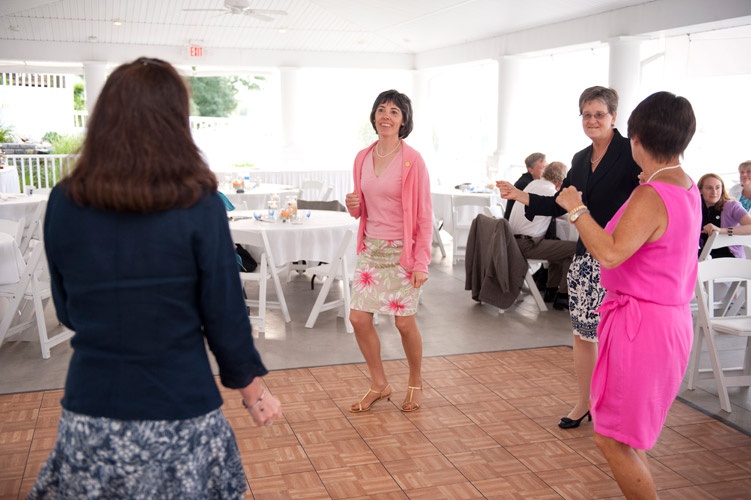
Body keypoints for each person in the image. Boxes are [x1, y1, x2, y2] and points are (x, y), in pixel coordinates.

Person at [30, 57, 281, 499]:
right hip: (181, 406)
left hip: (92, 409)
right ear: (175, 121)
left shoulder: (65, 201)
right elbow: (224, 315)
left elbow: (67, 310)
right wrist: (253, 392)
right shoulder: (199, 203)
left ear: (104, 118)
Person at [555, 91, 700, 499]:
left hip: (643, 327)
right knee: (628, 437)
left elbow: (610, 253)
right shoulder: (684, 184)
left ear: (635, 139)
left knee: (612, 438)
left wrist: (576, 208)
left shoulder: (652, 194)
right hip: (666, 321)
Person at [497, 86, 641, 429]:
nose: (592, 120)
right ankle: (584, 402)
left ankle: (618, 406)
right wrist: (519, 195)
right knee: (583, 336)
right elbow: (561, 203)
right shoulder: (579, 158)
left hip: (619, 259)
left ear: (614, 116)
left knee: (616, 341)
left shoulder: (632, 153)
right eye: (586, 114)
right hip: (585, 259)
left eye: (599, 114)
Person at [345, 89, 432, 413]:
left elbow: (424, 215)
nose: (386, 116)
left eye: (394, 112)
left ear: (404, 121)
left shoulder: (413, 160)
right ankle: (379, 383)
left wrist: (421, 262)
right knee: (358, 318)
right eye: (381, 109)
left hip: (403, 253)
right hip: (371, 249)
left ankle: (415, 381)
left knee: (404, 324)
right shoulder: (362, 157)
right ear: (374, 116)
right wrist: (352, 205)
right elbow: (361, 210)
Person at [508, 161, 576, 309]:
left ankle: (551, 290)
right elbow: (569, 215)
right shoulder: (550, 192)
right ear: (561, 179)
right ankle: (563, 296)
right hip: (527, 245)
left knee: (557, 243)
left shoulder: (533, 184)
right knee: (575, 249)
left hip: (513, 242)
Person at [698, 172, 751, 258]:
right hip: (705, 255)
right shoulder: (696, 209)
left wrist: (721, 230)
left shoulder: (732, 206)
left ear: (722, 189)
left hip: (730, 256)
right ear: (700, 190)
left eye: (718, 187)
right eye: (709, 188)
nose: (714, 192)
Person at [503, 152, 547, 219]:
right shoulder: (525, 184)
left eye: (546, 168)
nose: (545, 171)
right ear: (531, 170)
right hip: (514, 222)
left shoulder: (530, 181)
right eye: (542, 168)